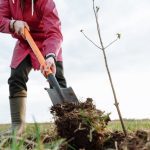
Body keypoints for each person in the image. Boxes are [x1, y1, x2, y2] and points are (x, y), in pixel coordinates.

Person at [0, 0, 67, 135]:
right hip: (25, 42)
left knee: (56, 79)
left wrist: (50, 56)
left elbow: (54, 32)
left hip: (47, 42)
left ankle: (67, 123)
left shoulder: (46, 2)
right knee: (16, 78)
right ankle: (17, 126)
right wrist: (12, 24)